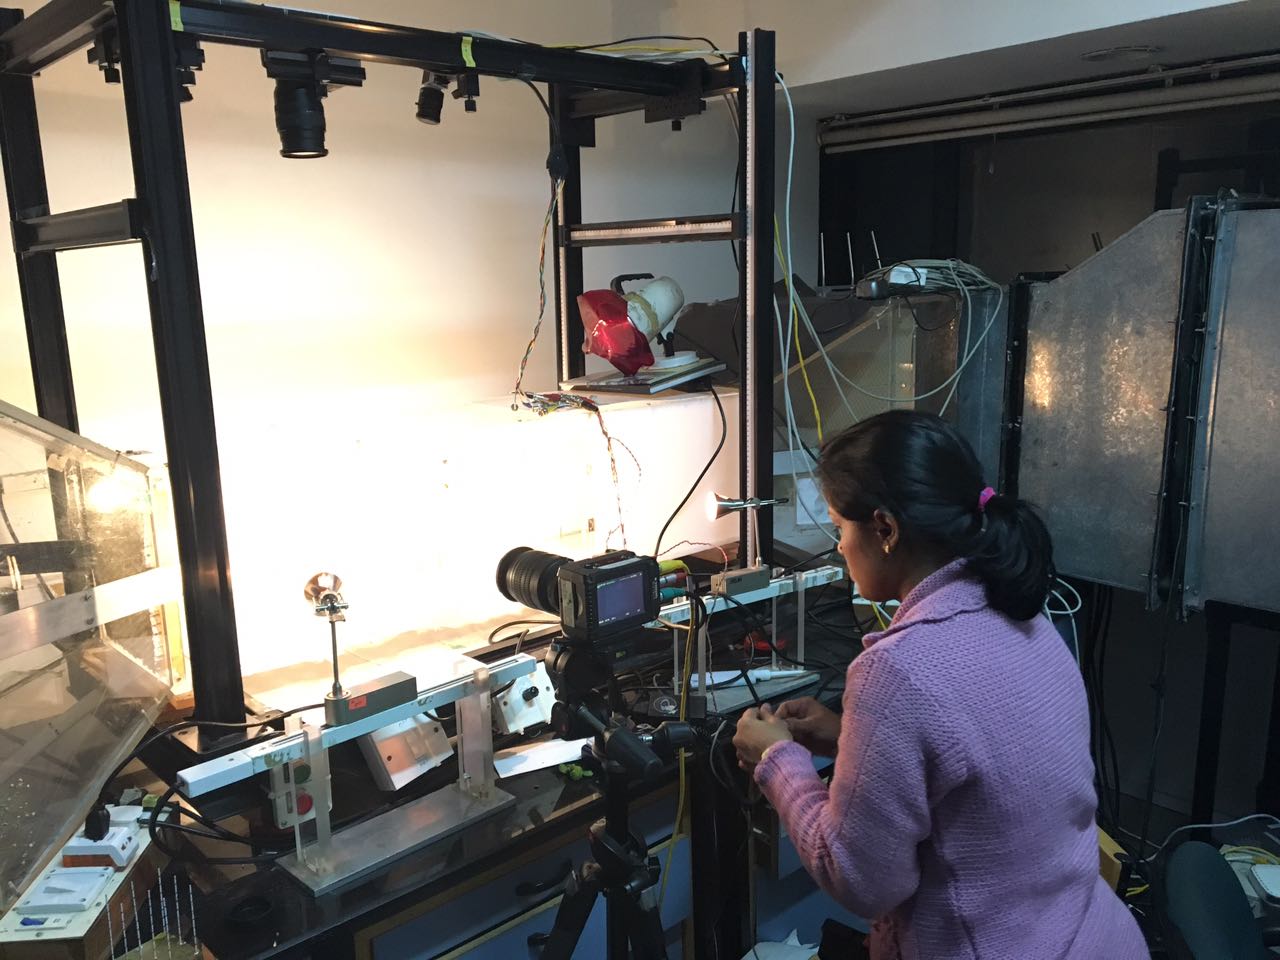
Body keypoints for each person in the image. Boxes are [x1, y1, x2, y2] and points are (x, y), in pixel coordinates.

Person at [733, 411, 1147, 959]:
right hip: (1094, 937)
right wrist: (849, 739)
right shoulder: (1022, 613)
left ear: (885, 529)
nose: (838, 548)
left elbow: (859, 879)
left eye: (839, 528)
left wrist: (779, 763)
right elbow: (988, 766)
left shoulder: (898, 671)